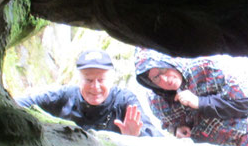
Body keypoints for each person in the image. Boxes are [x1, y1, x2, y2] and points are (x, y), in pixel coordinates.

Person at [133, 48, 248, 146]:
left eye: (163, 70)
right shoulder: (157, 101)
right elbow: (168, 124)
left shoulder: (206, 67)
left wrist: (200, 102)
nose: (165, 79)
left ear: (168, 62)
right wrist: (176, 130)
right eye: (156, 78)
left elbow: (243, 104)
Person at [16, 49, 163, 137]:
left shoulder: (124, 100)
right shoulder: (65, 96)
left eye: (101, 80)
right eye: (88, 80)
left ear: (112, 79)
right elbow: (18, 104)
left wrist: (136, 136)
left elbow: (156, 138)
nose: (95, 87)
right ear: (79, 79)